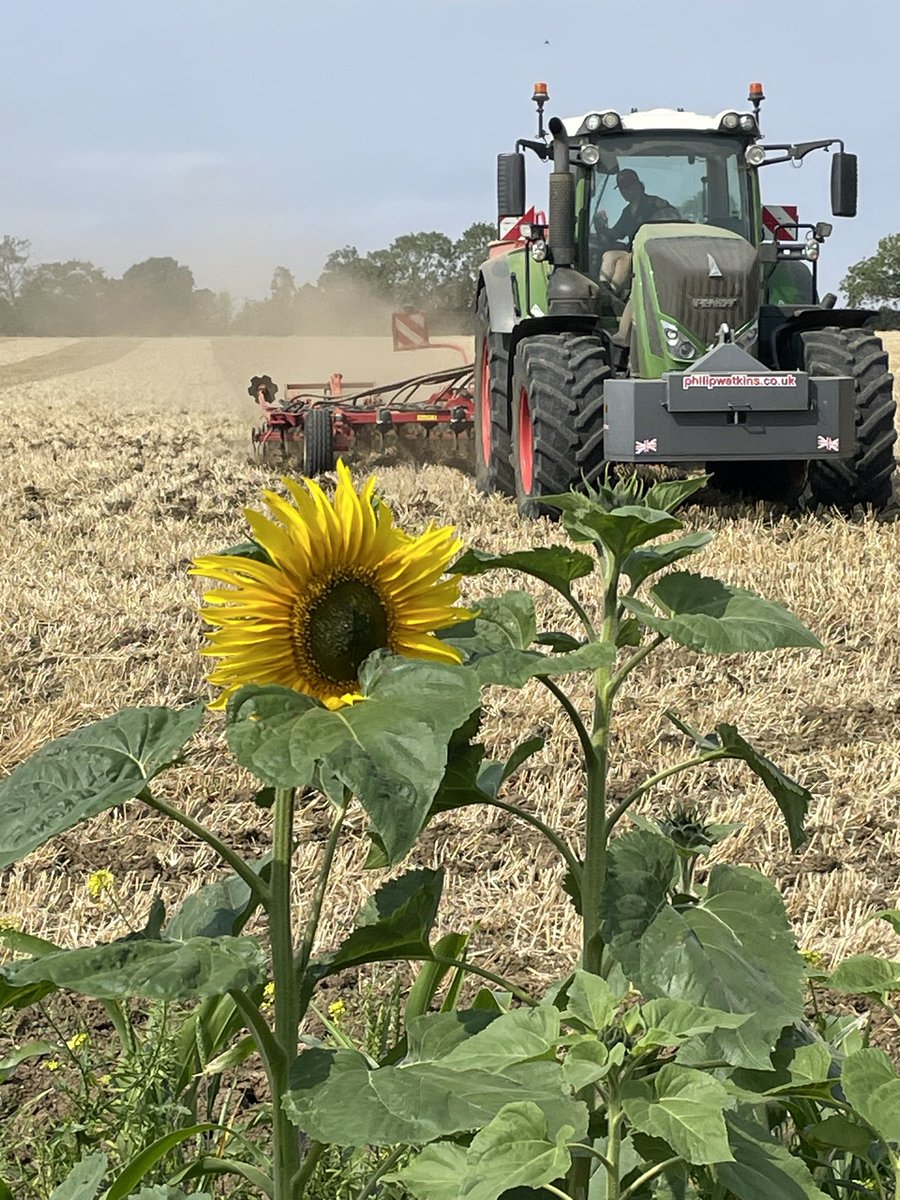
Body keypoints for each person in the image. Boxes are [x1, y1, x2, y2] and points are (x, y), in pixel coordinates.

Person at [593, 169, 680, 294]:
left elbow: (672, 221)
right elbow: (616, 234)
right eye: (622, 188)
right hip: (633, 252)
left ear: (639, 186)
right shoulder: (627, 212)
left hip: (652, 254)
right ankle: (603, 288)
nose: (624, 191)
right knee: (609, 255)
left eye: (628, 186)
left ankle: (612, 294)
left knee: (626, 260)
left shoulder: (656, 204)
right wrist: (602, 227)